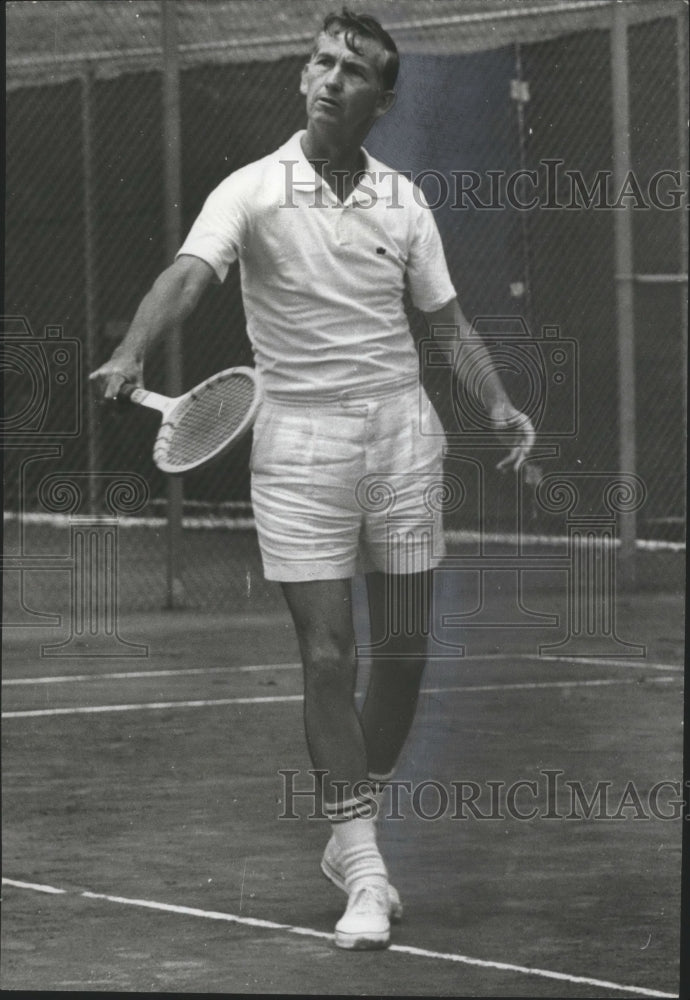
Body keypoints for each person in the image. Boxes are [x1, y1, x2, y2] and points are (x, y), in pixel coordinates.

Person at [91, 7, 534, 951]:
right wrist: (133, 347)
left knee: (404, 652)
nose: (331, 78)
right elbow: (187, 275)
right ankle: (364, 862)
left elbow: (449, 325)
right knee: (329, 656)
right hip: (296, 446)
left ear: (382, 98)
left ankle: (347, 820)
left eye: (354, 69)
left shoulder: (406, 202)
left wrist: (497, 405)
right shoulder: (249, 190)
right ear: (303, 76)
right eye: (321, 60)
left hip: (403, 435)